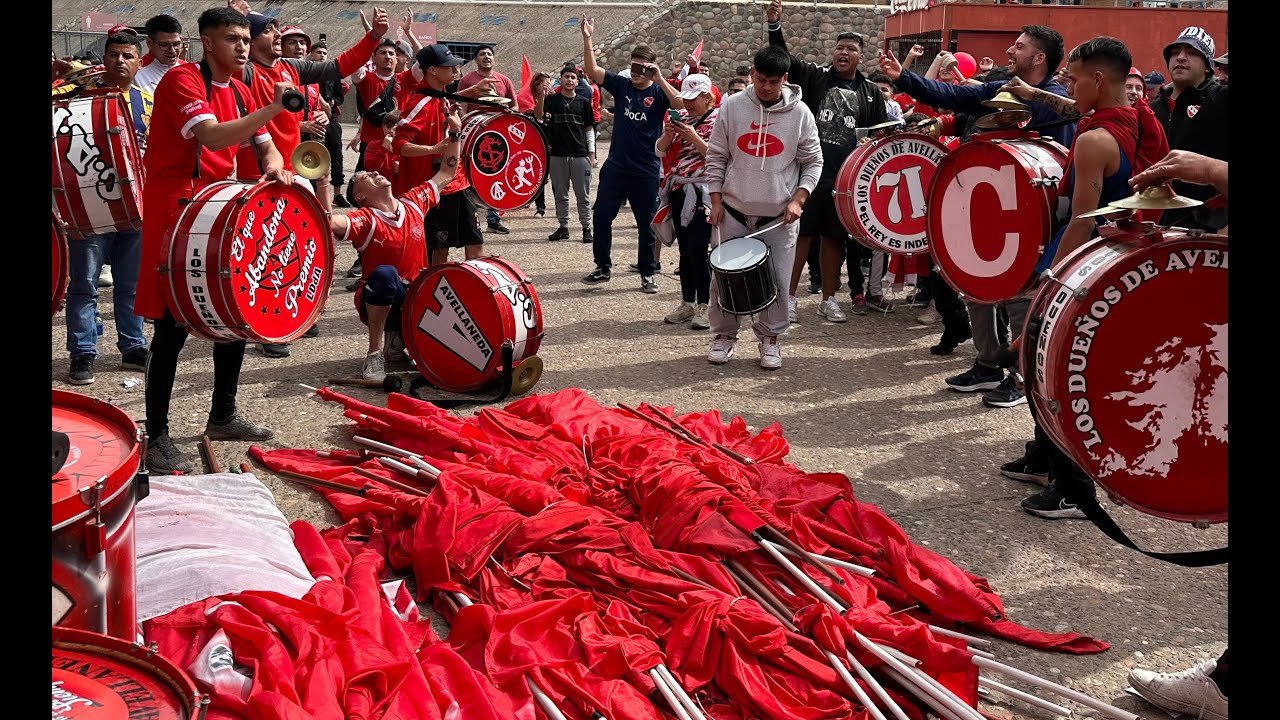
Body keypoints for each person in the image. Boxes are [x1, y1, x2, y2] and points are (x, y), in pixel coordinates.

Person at [1003, 36, 1169, 518]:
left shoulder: (1096, 139)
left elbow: (1080, 218)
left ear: (1097, 80)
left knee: (1043, 362)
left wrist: (1051, 281)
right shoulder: (1134, 115)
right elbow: (1079, 110)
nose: (1067, 88)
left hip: (1086, 257)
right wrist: (1037, 97)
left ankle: (1073, 486)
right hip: (1121, 252)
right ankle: (1043, 457)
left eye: (1074, 80)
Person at [879, 24, 1076, 409]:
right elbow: (952, 93)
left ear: (1039, 58)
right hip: (988, 208)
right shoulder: (999, 89)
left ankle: (1022, 375)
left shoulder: (1056, 100)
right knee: (976, 285)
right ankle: (987, 364)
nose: (1009, 51)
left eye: (1018, 47)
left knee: (1021, 296)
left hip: (1030, 214)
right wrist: (904, 77)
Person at [137, 6, 294, 474]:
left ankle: (223, 413)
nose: (243, 46)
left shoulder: (242, 88)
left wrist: (271, 163)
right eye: (232, 39)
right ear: (207, 43)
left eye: (246, 38)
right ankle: (157, 434)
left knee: (234, 308)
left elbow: (260, 140)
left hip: (214, 204)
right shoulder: (182, 80)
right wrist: (273, 107)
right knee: (171, 326)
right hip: (174, 210)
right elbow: (211, 136)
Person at [232, 2, 389, 358]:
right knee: (264, 253)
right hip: (257, 175)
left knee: (298, 245)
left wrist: (373, 38)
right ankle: (269, 329)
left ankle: (294, 312)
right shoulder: (243, 73)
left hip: (294, 172)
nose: (278, 35)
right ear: (250, 39)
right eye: (269, 30)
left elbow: (337, 67)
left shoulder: (289, 68)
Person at [766, 0, 887, 324]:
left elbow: (879, 136)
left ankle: (829, 299)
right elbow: (785, 59)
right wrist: (775, 25)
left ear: (860, 56)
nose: (843, 53)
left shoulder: (871, 92)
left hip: (846, 182)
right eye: (839, 48)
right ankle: (788, 299)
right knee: (801, 237)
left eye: (850, 48)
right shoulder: (815, 77)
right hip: (808, 176)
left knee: (835, 241)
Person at [704, 45, 822, 370]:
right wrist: (715, 201)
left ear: (785, 79)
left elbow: (814, 161)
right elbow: (716, 156)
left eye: (773, 81)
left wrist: (799, 199)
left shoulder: (801, 115)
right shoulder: (732, 107)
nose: (765, 86)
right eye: (760, 79)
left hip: (778, 216)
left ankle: (770, 339)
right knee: (722, 278)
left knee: (778, 282)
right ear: (752, 74)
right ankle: (724, 335)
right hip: (733, 211)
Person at [62, 31, 152, 385]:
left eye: (128, 55)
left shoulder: (149, 102)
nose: (120, 61)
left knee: (131, 283)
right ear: (105, 57)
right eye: (113, 54)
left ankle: (133, 346)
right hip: (88, 204)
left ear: (139, 61)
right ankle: (83, 352)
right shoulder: (78, 97)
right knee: (83, 284)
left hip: (137, 204)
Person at [331, 138, 460, 380]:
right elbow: (329, 222)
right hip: (377, 295)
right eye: (367, 177)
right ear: (360, 197)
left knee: (451, 280)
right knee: (385, 274)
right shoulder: (365, 218)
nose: (376, 172)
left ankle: (401, 339)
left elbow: (447, 171)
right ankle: (374, 355)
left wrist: (454, 134)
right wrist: (318, 182)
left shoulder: (414, 202)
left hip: (413, 298)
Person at [578, 14, 684, 293]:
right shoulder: (622, 85)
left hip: (646, 169)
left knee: (646, 223)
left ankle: (648, 272)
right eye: (633, 66)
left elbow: (681, 103)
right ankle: (602, 266)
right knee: (601, 216)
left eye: (642, 67)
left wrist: (659, 78)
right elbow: (593, 71)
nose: (636, 72)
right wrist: (588, 38)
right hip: (616, 167)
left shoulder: (659, 92)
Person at [395, 45, 494, 265]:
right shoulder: (418, 104)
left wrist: (473, 90)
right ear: (432, 70)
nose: (456, 69)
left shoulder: (439, 95)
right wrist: (434, 149)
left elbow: (441, 98)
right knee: (439, 252)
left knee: (476, 245)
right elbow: (399, 145)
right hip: (436, 189)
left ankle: (474, 292)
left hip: (459, 183)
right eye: (450, 66)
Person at [1149, 26, 1228, 231]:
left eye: (1192, 53)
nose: (1181, 57)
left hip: (1209, 230)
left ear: (1208, 67)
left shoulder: (1222, 100)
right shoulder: (1153, 108)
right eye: (1176, 52)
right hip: (1156, 226)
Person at [656, 73, 718, 330]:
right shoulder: (680, 118)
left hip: (704, 193)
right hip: (679, 188)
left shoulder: (719, 121)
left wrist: (693, 137)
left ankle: (706, 303)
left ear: (708, 98)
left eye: (694, 99)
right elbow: (659, 150)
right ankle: (687, 302)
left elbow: (717, 156)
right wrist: (668, 136)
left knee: (698, 249)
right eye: (686, 98)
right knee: (684, 250)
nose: (689, 104)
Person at [458, 45, 518, 234]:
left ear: (494, 59)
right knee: (471, 173)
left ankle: (493, 218)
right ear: (476, 59)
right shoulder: (467, 80)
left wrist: (511, 114)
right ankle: (470, 218)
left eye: (489, 54)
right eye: (482, 54)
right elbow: (462, 106)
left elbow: (514, 104)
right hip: (475, 133)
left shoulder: (504, 80)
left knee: (495, 174)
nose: (486, 57)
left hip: (498, 135)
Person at [537, 65, 596, 244]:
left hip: (580, 155)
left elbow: (588, 128)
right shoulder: (552, 100)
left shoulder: (583, 102)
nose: (569, 80)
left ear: (578, 81)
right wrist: (542, 96)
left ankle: (586, 228)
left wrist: (591, 153)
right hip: (557, 154)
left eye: (573, 77)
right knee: (560, 194)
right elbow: (538, 115)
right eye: (566, 77)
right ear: (560, 80)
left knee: (583, 195)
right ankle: (563, 227)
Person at [134, 14, 186, 95]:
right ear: (149, 43)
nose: (172, 50)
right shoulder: (135, 72)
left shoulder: (190, 70)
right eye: (164, 45)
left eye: (176, 44)